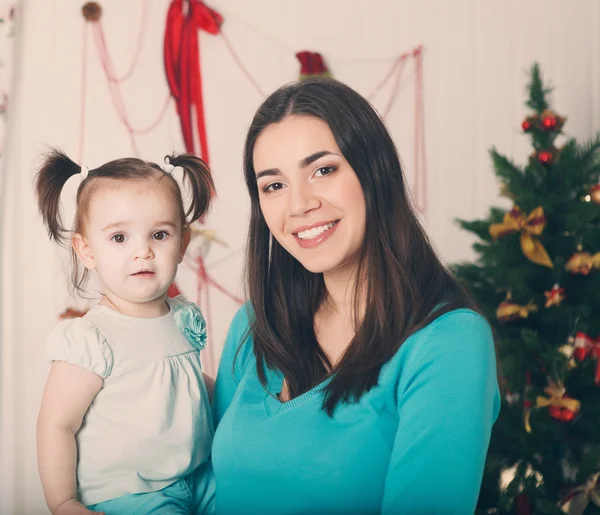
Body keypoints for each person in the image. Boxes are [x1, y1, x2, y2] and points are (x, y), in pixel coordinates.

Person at [211, 77, 500, 514]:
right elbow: (208, 491)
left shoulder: (449, 342)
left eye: (323, 170)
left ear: (374, 172)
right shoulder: (254, 325)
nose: (299, 205)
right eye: (274, 185)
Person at [35, 151, 216, 515]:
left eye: (160, 234)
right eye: (119, 238)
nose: (143, 252)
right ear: (87, 250)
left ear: (182, 244)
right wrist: (63, 502)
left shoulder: (182, 318)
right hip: (131, 492)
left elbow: (186, 382)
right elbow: (57, 424)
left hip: (199, 474)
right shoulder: (93, 338)